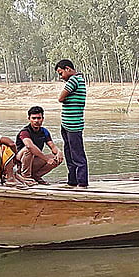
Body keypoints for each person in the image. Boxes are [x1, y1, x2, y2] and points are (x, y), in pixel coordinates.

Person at [56, 59, 89, 188]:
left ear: (68, 69)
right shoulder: (77, 80)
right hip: (67, 124)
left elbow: (60, 98)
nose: (61, 76)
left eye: (61, 73)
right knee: (69, 153)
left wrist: (64, 98)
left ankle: (81, 182)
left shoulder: (74, 80)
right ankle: (73, 180)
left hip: (73, 125)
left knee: (77, 155)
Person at [15, 106, 63, 185]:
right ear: (29, 119)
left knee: (56, 158)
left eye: (39, 118)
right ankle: (25, 176)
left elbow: (52, 146)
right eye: (34, 118)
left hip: (34, 160)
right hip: (22, 160)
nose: (36, 121)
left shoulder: (44, 131)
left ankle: (36, 175)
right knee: (28, 149)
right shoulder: (25, 132)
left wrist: (59, 152)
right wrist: (46, 159)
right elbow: (29, 146)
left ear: (42, 119)